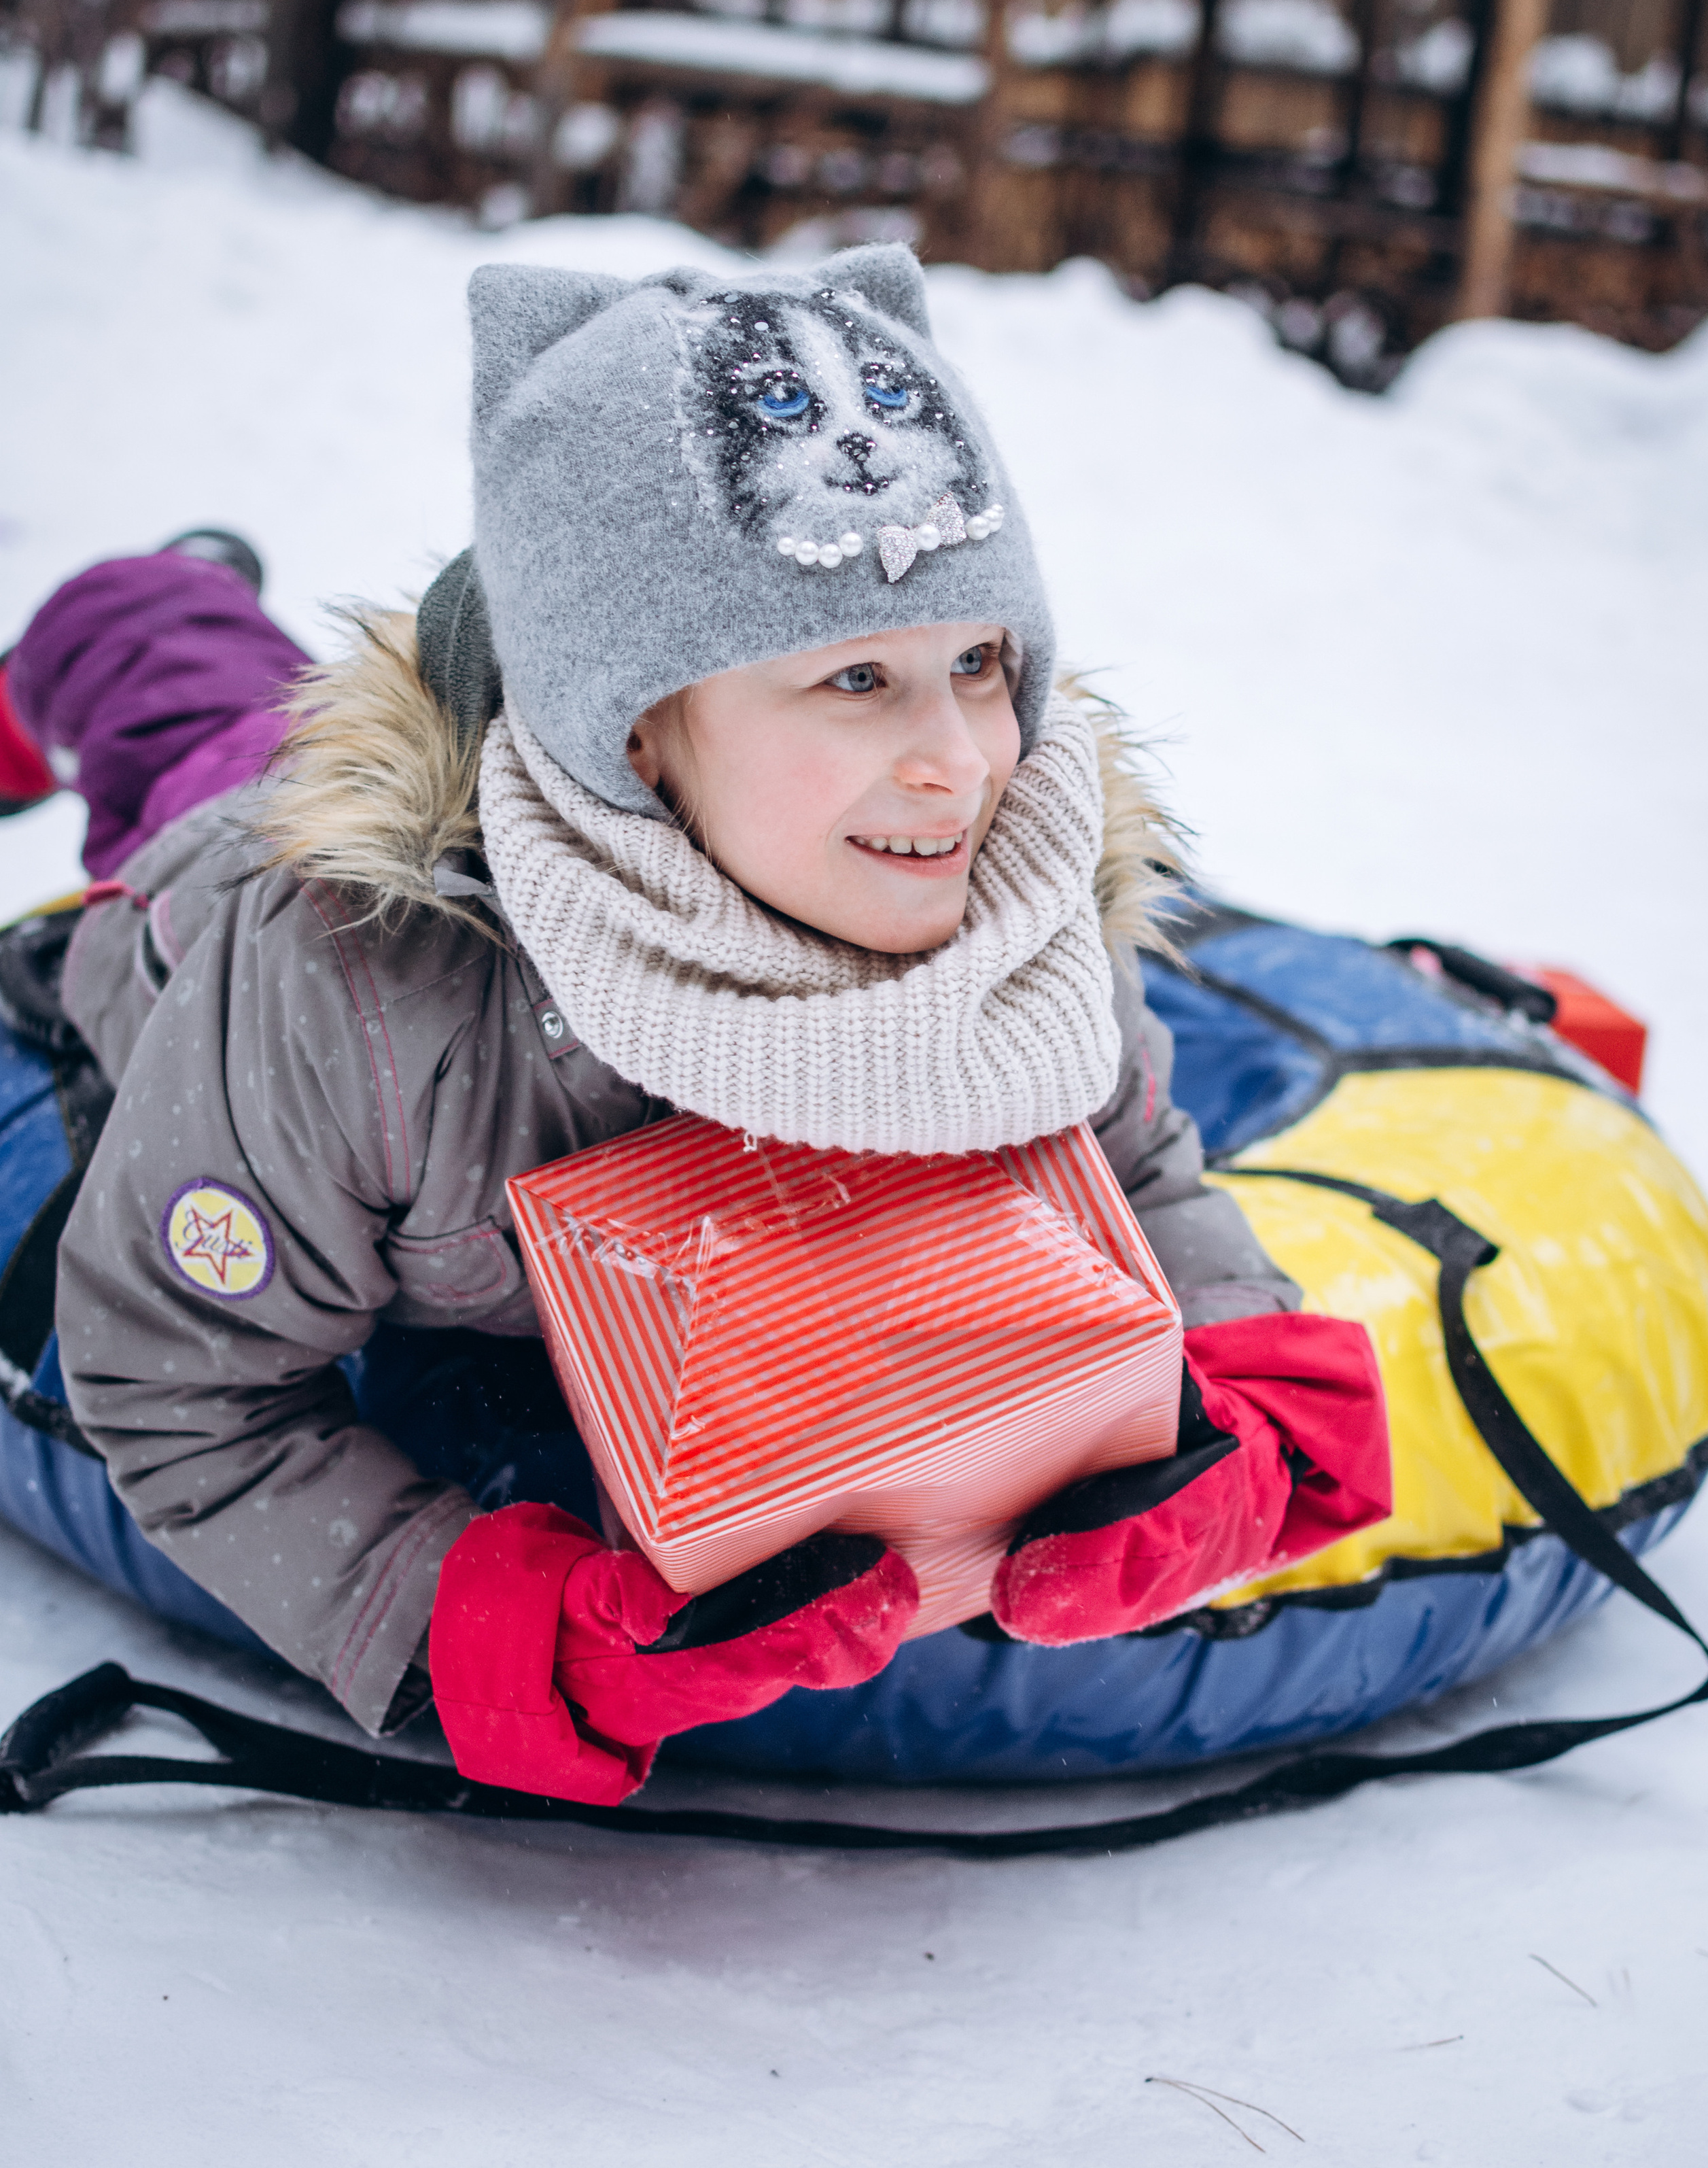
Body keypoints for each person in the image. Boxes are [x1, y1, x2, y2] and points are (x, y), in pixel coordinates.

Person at [5, 245, 1388, 1804]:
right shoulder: (366, 991)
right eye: (857, 677)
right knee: (190, 714)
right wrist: (487, 1624)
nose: (959, 762)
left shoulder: (1012, 896)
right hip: (214, 882)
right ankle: (139, 600)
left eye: (978, 664)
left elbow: (1136, 1172)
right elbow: (178, 1380)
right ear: (643, 734)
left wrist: (1247, 1412)